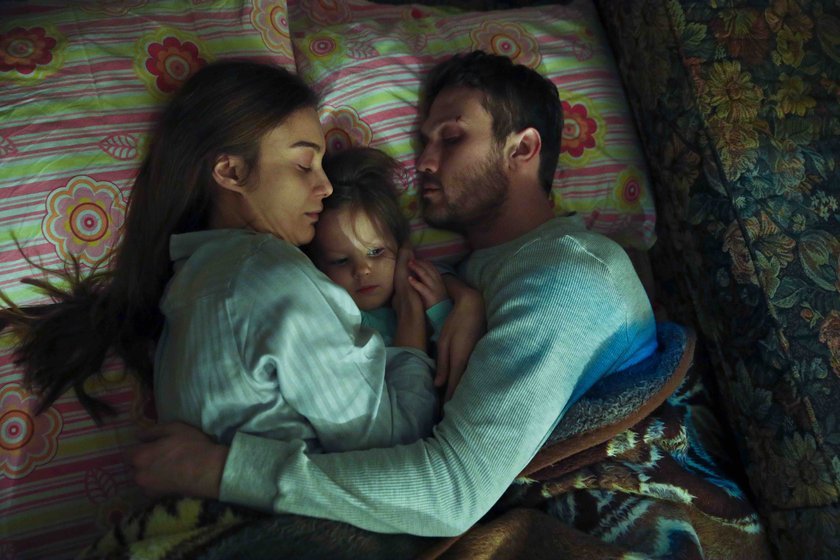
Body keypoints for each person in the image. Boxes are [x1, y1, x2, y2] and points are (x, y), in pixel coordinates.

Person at [128, 51, 659, 537]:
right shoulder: (470, 276)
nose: (423, 161)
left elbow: (453, 492)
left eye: (451, 138)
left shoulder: (569, 275)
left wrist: (219, 469)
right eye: (423, 141)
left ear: (522, 148)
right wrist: (461, 297)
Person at [0, 61, 441, 456]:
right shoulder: (273, 277)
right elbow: (396, 443)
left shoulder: (190, 282)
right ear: (231, 172)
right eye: (304, 165)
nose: (325, 187)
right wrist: (411, 324)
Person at [308, 146, 462, 356]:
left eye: (375, 252)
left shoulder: (429, 289)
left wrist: (440, 309)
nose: (362, 270)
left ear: (401, 246)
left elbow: (456, 356)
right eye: (341, 260)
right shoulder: (337, 321)